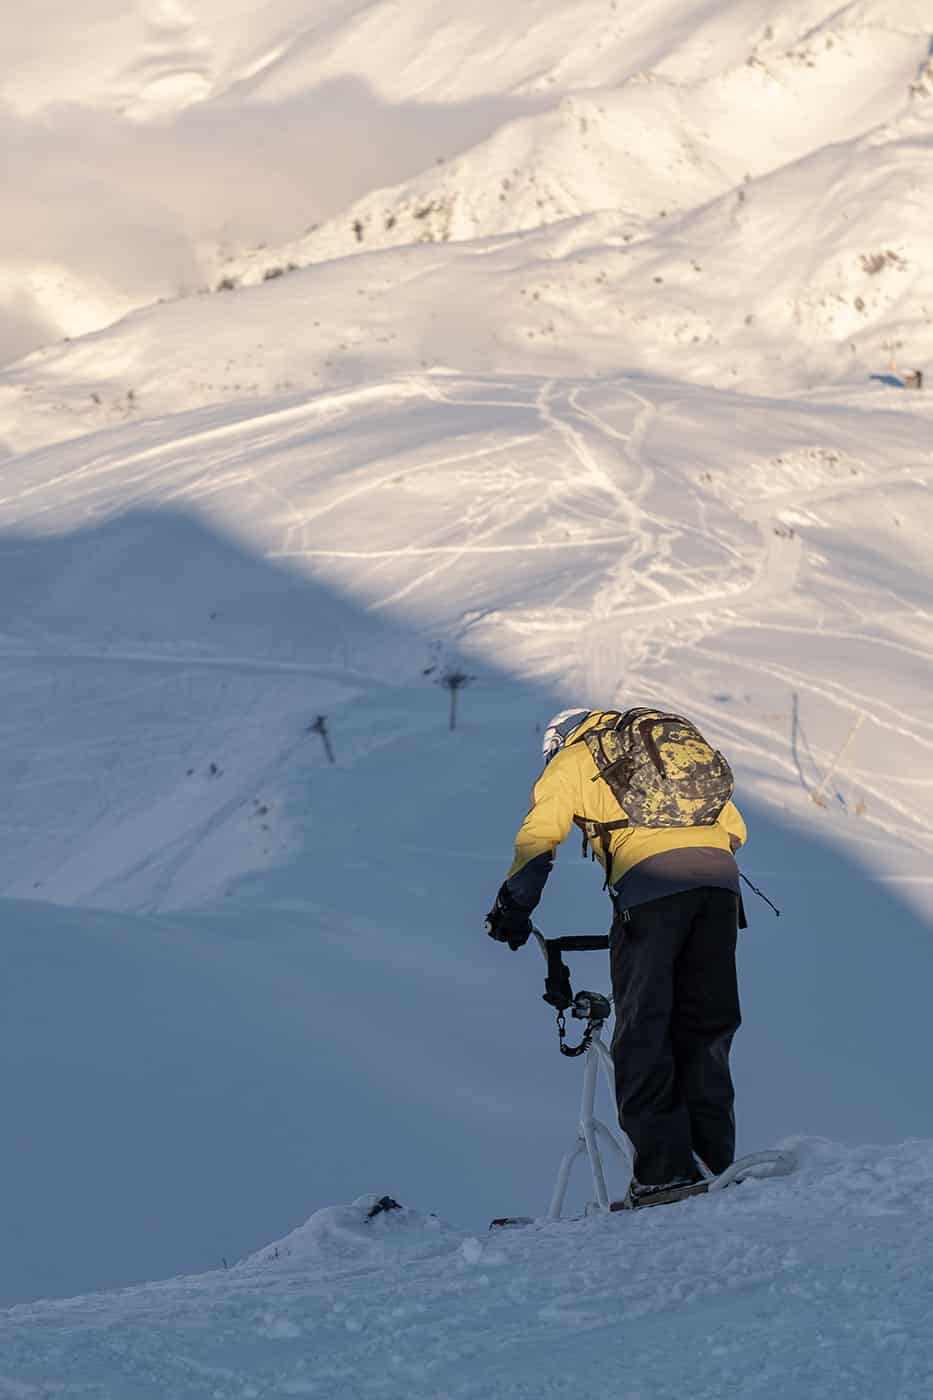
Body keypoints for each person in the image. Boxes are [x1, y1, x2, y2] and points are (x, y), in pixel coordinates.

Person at [485, 706, 747, 1203]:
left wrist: (512, 909)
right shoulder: (667, 748)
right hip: (720, 887)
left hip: (651, 891)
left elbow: (540, 838)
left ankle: (663, 1174)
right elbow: (734, 828)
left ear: (556, 744)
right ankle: (714, 1162)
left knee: (643, 1029)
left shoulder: (575, 757)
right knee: (706, 1027)